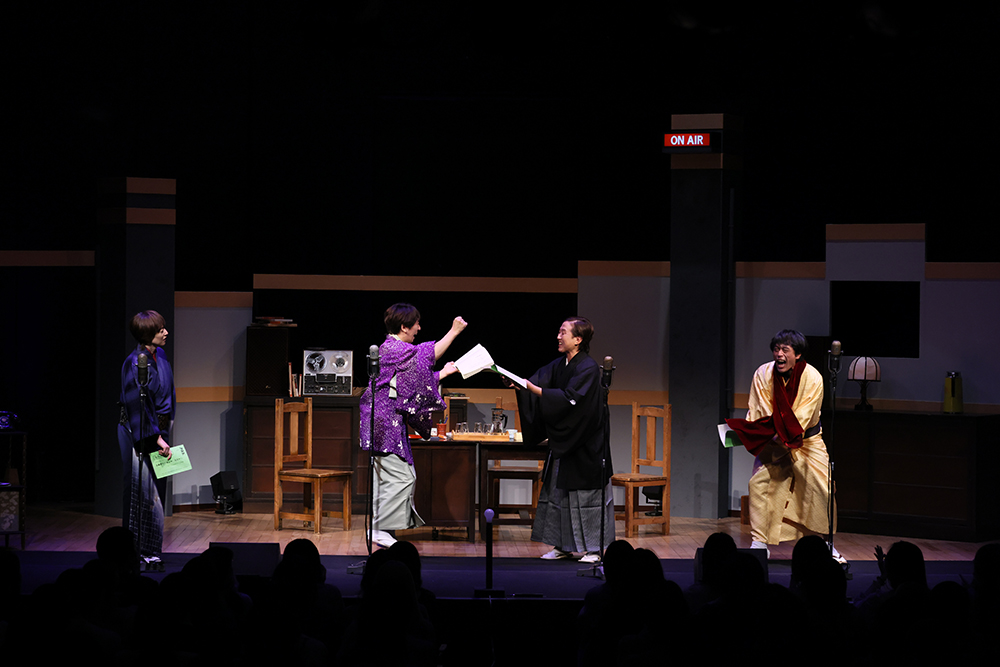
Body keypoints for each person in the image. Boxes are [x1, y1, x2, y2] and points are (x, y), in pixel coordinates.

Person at [726, 330, 841, 561]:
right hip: (774, 441)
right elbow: (760, 410)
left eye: (785, 350)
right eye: (776, 349)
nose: (779, 354)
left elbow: (802, 417)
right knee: (759, 484)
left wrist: (783, 434)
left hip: (807, 441)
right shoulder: (763, 374)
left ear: (797, 354)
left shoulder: (813, 377)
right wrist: (761, 434)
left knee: (822, 487)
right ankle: (759, 542)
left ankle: (826, 543)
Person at [360, 304, 467, 548]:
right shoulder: (393, 348)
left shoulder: (395, 350)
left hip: (387, 422)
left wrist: (442, 374)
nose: (419, 328)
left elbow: (411, 381)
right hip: (384, 423)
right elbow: (426, 355)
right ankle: (379, 529)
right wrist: (454, 331)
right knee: (401, 477)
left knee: (393, 477)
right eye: (416, 324)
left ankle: (381, 528)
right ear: (404, 326)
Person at [511, 316, 612, 563]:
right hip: (564, 442)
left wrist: (532, 389)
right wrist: (518, 384)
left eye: (563, 332)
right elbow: (536, 382)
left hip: (585, 443)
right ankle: (562, 546)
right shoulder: (560, 365)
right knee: (558, 497)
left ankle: (594, 550)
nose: (558, 336)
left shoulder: (588, 368)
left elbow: (570, 399)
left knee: (586, 499)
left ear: (578, 339)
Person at [118, 310, 174, 567]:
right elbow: (137, 406)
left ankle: (151, 550)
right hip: (138, 432)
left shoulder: (159, 356)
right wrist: (154, 438)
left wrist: (165, 429)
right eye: (160, 330)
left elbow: (166, 396)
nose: (166, 332)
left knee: (156, 495)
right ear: (147, 334)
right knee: (142, 494)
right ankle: (138, 552)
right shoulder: (135, 363)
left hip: (157, 432)